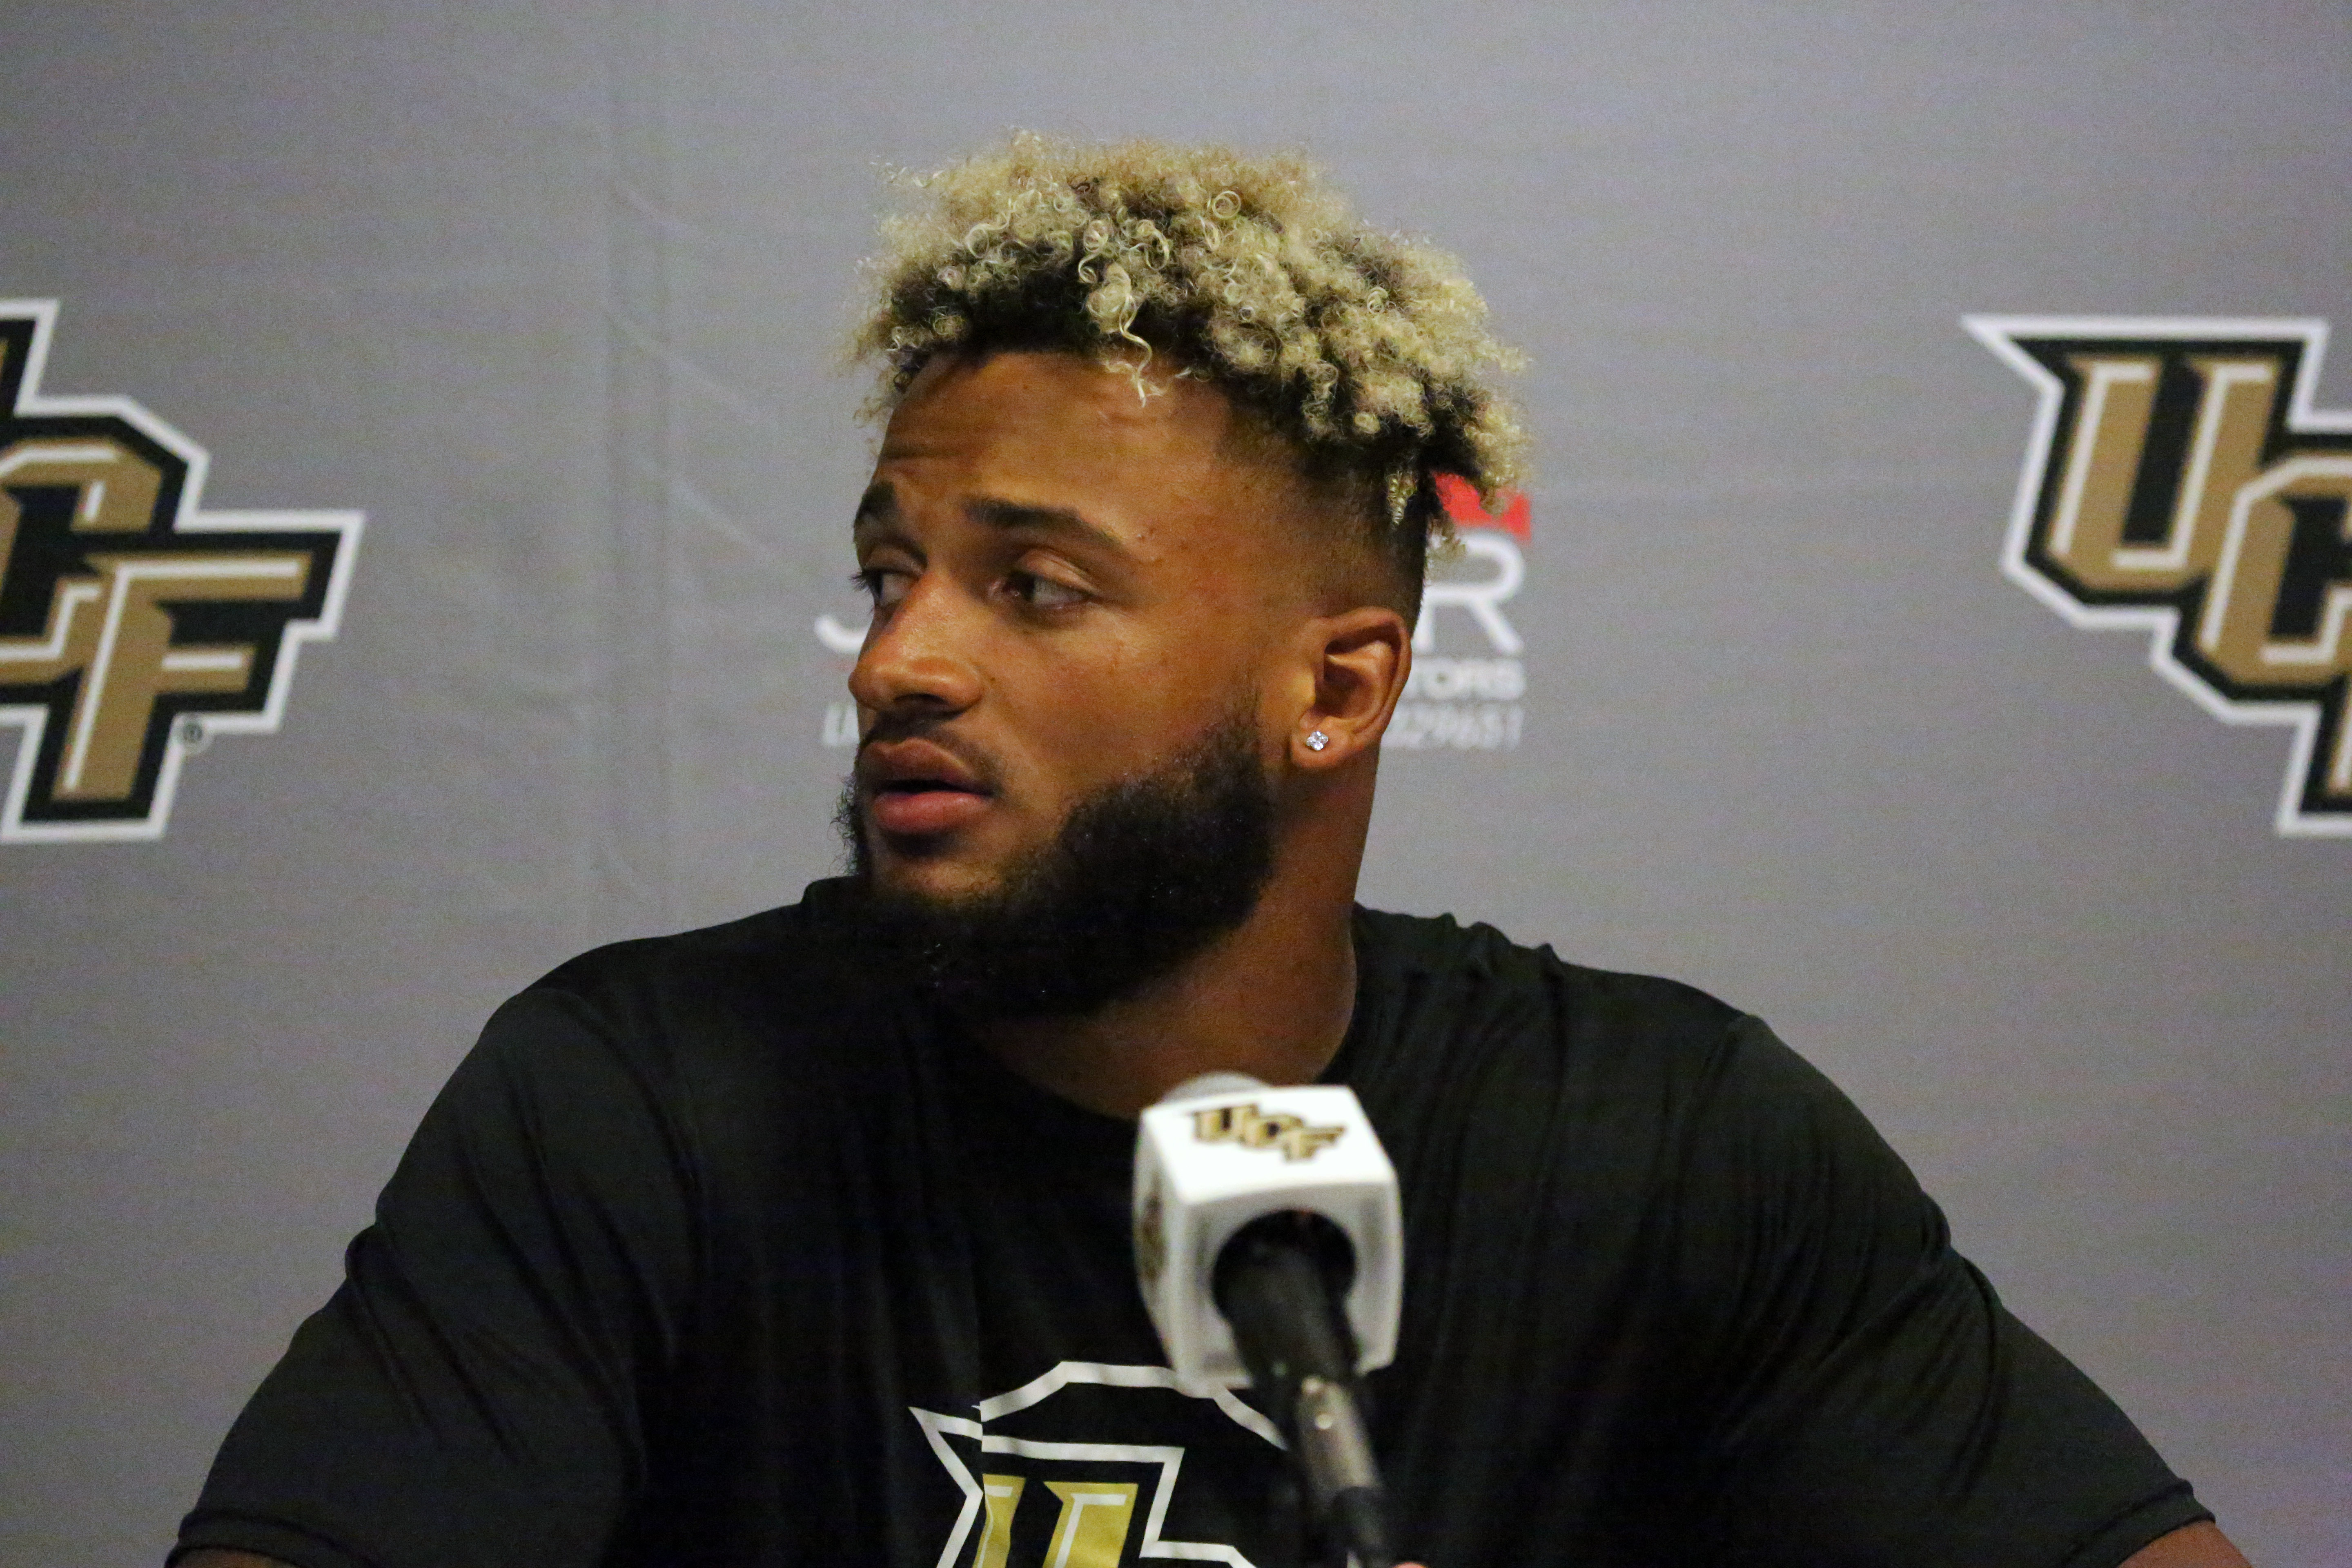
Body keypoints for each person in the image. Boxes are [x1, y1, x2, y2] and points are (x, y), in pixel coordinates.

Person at [174, 135, 2248, 1568]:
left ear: (1335, 686)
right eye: (891, 574)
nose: (898, 661)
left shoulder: (1663, 1145)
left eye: (1035, 588)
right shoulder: (639, 1103)